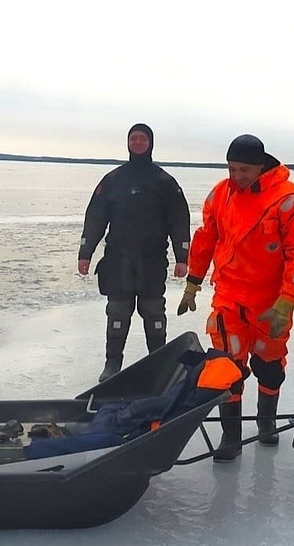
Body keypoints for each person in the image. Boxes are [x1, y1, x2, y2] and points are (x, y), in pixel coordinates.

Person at [177, 134, 294, 462]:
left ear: (261, 166)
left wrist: (286, 302)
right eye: (231, 168)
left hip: (271, 302)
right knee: (227, 366)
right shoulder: (220, 195)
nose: (237, 176)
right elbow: (205, 239)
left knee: (269, 366)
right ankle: (231, 437)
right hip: (228, 297)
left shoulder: (289, 198)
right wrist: (193, 284)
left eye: (244, 169)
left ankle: (266, 422)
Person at [78, 123, 191, 382]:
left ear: (150, 143)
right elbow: (95, 217)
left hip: (152, 260)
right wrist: (86, 252)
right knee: (117, 310)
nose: (138, 142)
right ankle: (112, 364)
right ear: (127, 142)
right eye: (134, 138)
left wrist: (182, 257)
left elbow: (179, 220)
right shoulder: (113, 180)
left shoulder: (164, 182)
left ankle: (159, 361)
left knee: (153, 310)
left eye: (143, 139)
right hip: (118, 259)